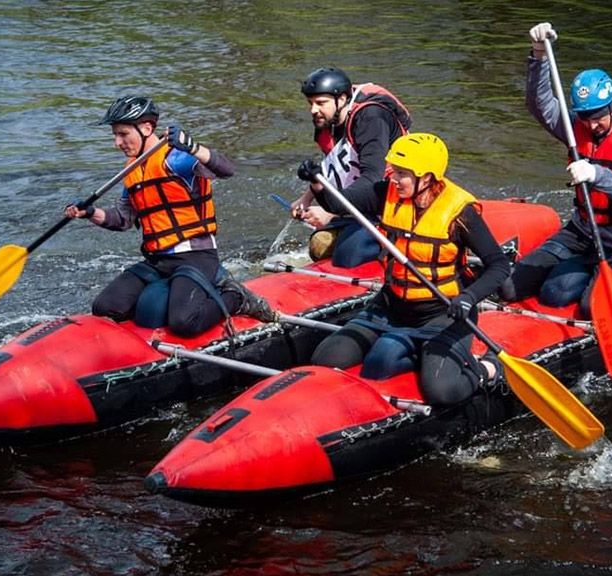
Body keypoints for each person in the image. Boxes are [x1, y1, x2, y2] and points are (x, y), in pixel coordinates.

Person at [310, 133, 510, 405]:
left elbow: (499, 266)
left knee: (442, 392)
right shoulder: (386, 193)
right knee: (324, 359)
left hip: (443, 312)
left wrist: (469, 298)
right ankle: (409, 352)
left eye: (402, 173)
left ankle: (488, 368)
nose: (393, 178)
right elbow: (338, 202)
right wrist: (317, 183)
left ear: (426, 178)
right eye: (394, 170)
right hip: (390, 307)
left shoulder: (460, 214)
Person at [65, 95, 276, 337]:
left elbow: (226, 169)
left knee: (184, 323)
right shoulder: (132, 169)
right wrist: (90, 213)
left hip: (196, 257)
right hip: (158, 261)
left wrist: (194, 147)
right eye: (115, 135)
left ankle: (236, 298)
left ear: (146, 128)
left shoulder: (178, 158)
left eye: (123, 134)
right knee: (104, 307)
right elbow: (123, 219)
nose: (117, 142)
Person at [499, 22, 612, 317]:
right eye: (585, 116)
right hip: (583, 232)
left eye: (598, 117)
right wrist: (538, 56)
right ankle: (581, 275)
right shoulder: (579, 126)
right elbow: (539, 104)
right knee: (524, 290)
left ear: (611, 106)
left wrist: (595, 174)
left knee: (592, 307)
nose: (591, 125)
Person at [290, 67, 413, 267]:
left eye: (320, 103)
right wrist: (306, 199)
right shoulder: (328, 120)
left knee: (347, 256)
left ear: (343, 99)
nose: (313, 110)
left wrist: (331, 211)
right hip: (363, 200)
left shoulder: (371, 118)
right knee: (318, 246)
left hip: (392, 198)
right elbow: (335, 167)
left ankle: (393, 246)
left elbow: (373, 179)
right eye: (310, 103)